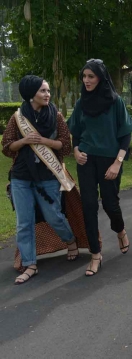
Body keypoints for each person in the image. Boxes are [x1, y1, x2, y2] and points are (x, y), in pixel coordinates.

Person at [2, 75, 82, 284]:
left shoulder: (55, 116)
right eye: (43, 91)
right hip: (21, 176)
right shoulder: (17, 117)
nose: (47, 94)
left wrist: (44, 141)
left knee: (54, 215)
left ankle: (70, 241)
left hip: (48, 175)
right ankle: (30, 264)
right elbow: (7, 147)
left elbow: (65, 145)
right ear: (31, 95)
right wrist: (24, 141)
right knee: (24, 222)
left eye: (48, 91)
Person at [68, 59, 132, 277]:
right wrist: (76, 150)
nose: (86, 80)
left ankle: (120, 230)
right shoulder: (81, 103)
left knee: (110, 204)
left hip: (109, 160)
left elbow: (125, 134)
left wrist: (118, 162)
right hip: (86, 160)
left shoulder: (115, 102)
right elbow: (76, 133)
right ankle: (95, 254)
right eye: (84, 76)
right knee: (88, 205)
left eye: (91, 76)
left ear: (100, 77)